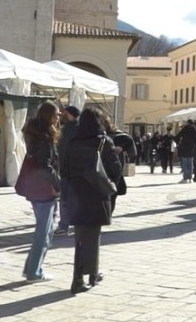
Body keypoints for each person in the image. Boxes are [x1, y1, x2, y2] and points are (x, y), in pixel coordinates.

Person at [62, 108, 121, 293]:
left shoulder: (73, 143)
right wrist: (109, 185)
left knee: (80, 238)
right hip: (96, 194)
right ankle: (81, 279)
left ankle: (85, 275)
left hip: (76, 194)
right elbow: (116, 170)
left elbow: (64, 170)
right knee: (93, 237)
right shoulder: (104, 142)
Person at [20, 101, 60, 281]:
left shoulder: (35, 134)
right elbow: (45, 165)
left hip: (36, 187)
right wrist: (59, 184)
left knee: (46, 229)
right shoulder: (44, 137)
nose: (58, 118)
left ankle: (31, 267)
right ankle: (34, 271)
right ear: (48, 116)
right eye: (56, 115)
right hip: (44, 189)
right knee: (44, 231)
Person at [55, 105, 80, 235]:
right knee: (72, 198)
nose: (62, 115)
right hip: (74, 169)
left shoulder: (71, 129)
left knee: (65, 198)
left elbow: (63, 148)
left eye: (65, 113)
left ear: (70, 114)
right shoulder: (78, 128)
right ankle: (73, 225)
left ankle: (64, 225)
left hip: (69, 168)